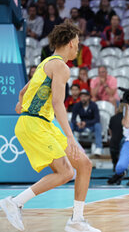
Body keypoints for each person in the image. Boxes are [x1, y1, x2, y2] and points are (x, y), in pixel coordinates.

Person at [0, 22, 100, 232]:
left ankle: (76, 221)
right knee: (65, 173)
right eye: (78, 43)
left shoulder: (47, 62)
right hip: (35, 123)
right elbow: (57, 103)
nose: (78, 46)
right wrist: (71, 137)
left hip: (43, 122)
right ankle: (15, 202)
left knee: (84, 165)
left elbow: (23, 90)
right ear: (72, 42)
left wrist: (20, 102)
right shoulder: (61, 66)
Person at [71, 89, 103, 156]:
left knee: (98, 125)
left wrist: (86, 123)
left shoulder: (94, 105)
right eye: (81, 96)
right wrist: (77, 123)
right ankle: (70, 146)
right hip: (81, 126)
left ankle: (98, 147)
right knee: (71, 125)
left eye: (85, 96)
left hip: (91, 125)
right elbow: (73, 119)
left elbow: (97, 119)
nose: (83, 98)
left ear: (88, 97)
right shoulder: (77, 105)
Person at [108, 103, 125, 171]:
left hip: (114, 142)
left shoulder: (113, 118)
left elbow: (110, 130)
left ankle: (115, 163)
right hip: (124, 142)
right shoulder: (128, 119)